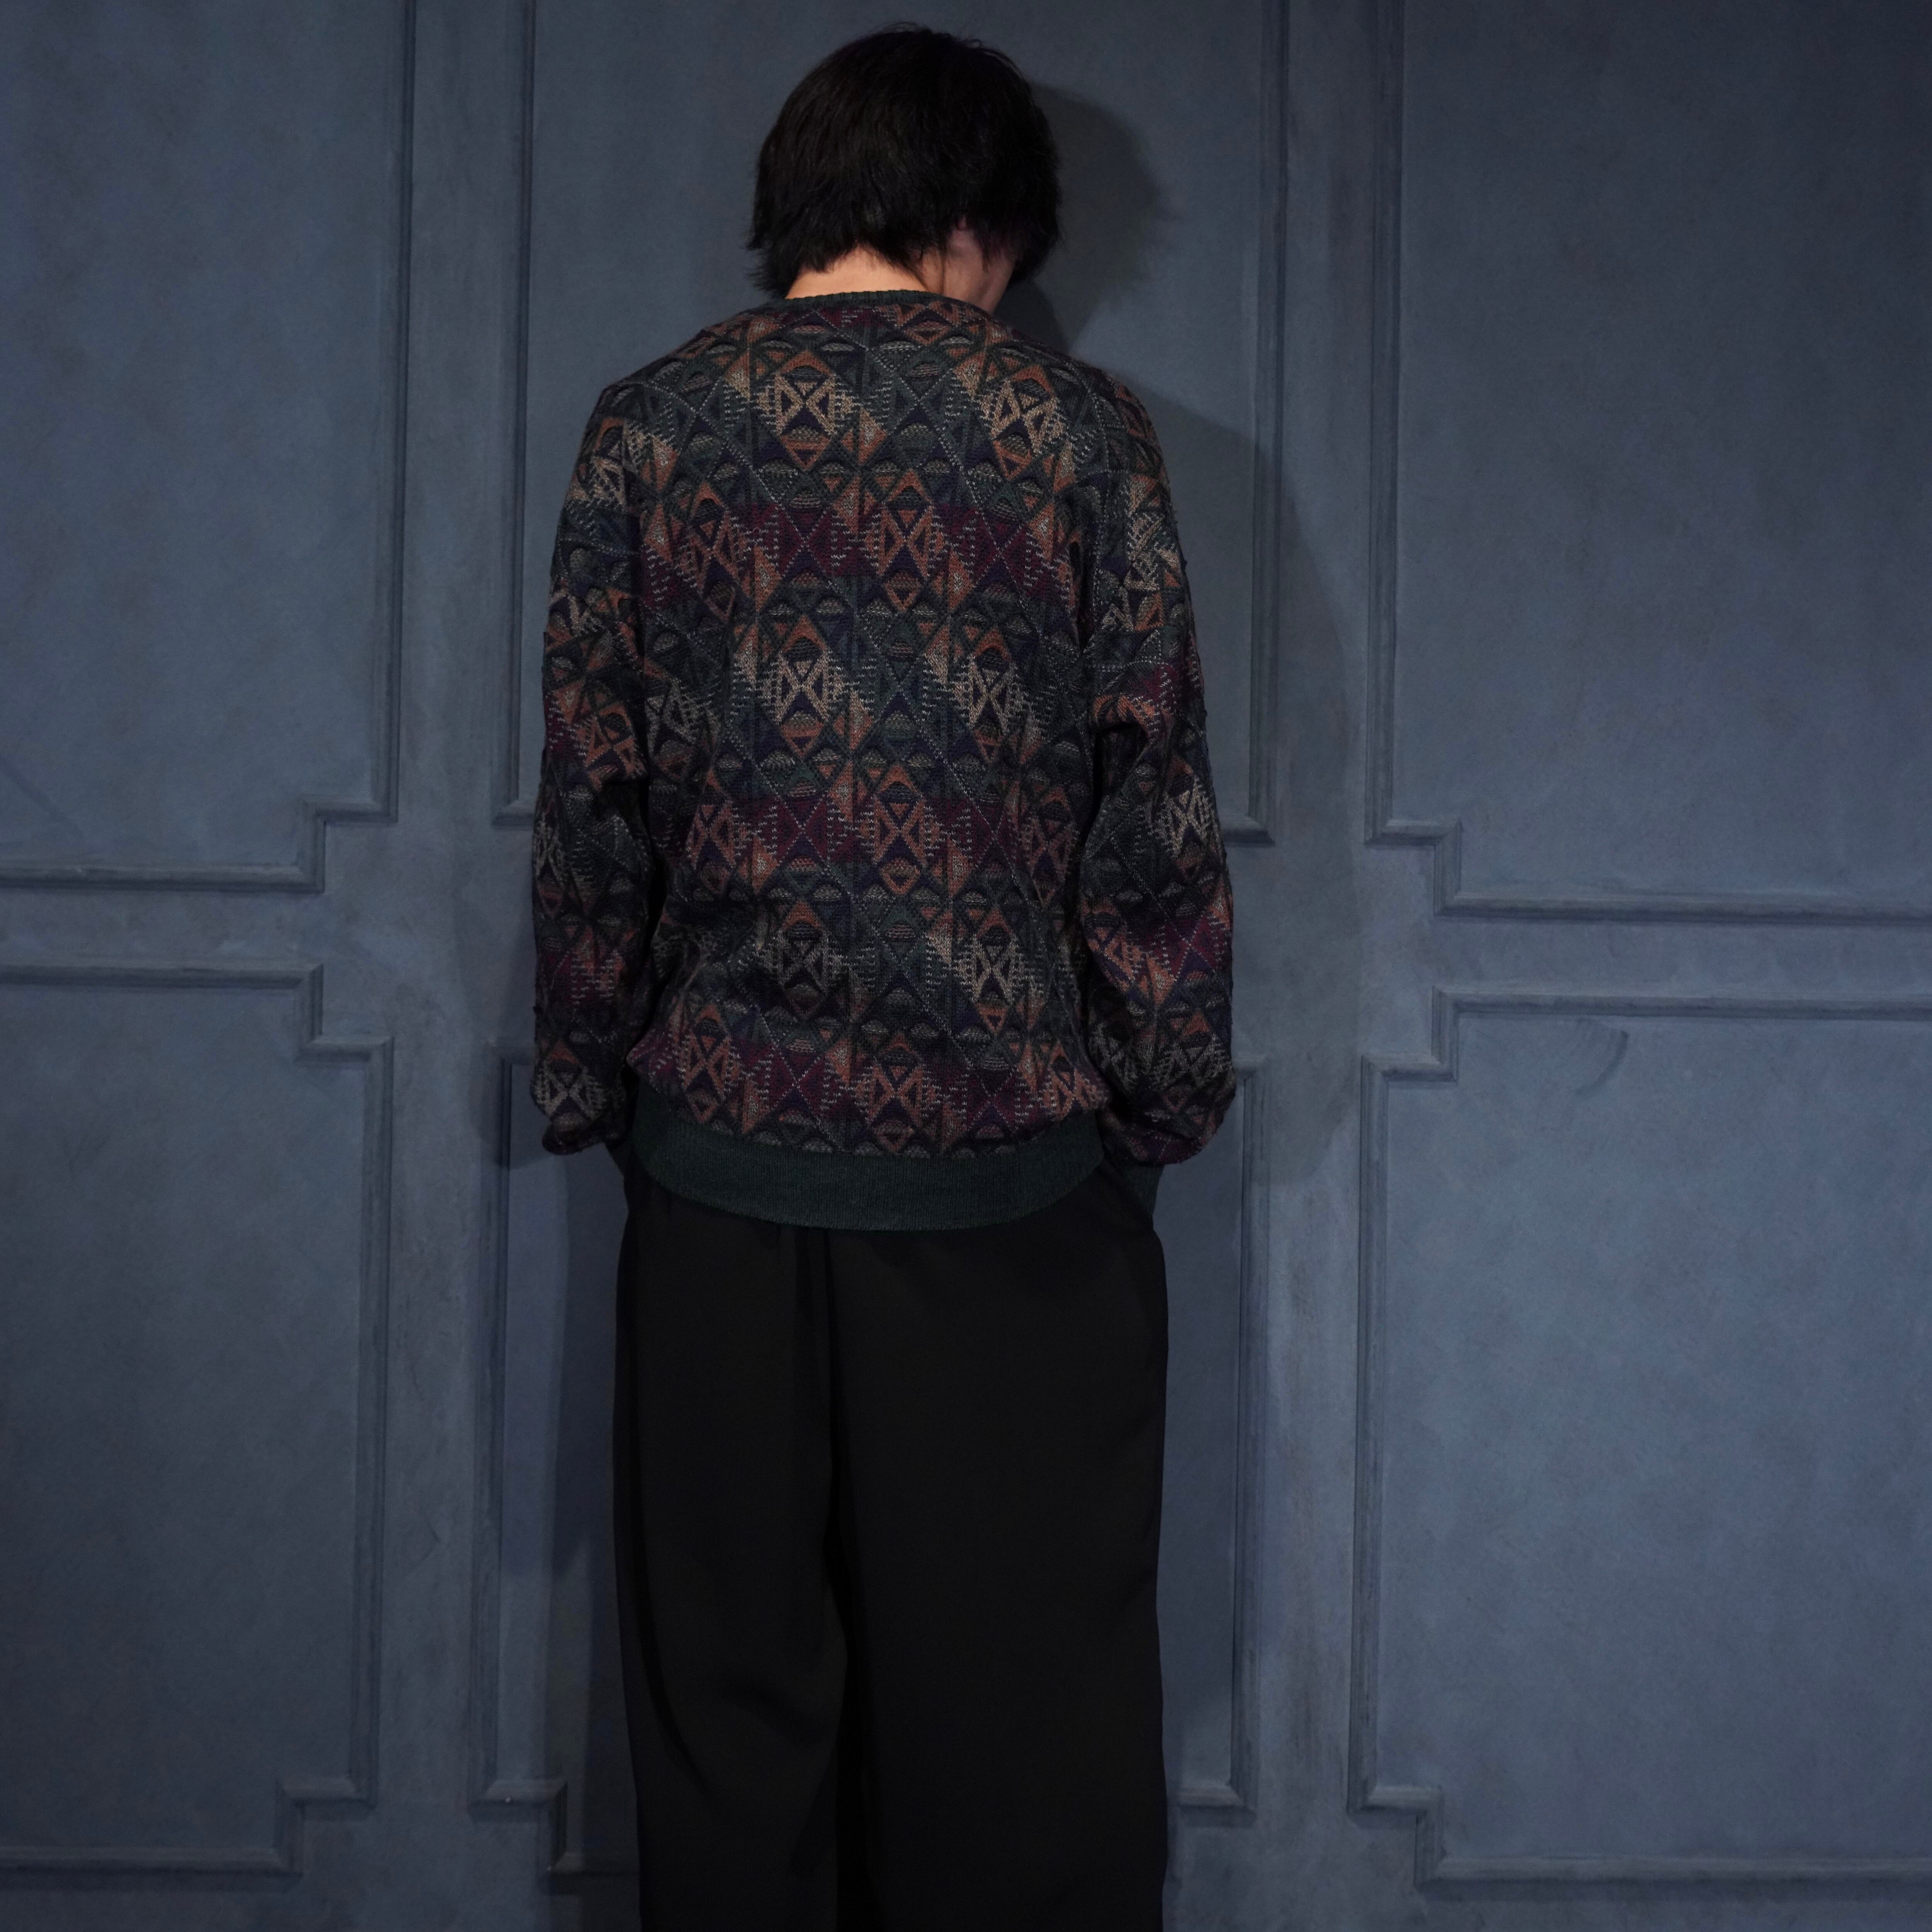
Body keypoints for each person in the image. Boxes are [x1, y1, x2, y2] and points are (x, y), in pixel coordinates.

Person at [529, 23, 1234, 1929]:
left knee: (730, 1740)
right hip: (1009, 1198)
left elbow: (592, 803)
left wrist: (596, 1080)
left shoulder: (646, 426)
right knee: (1018, 1747)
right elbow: (1151, 809)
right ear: (978, 216)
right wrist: (1160, 1094)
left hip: (720, 1183)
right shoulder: (1078, 436)